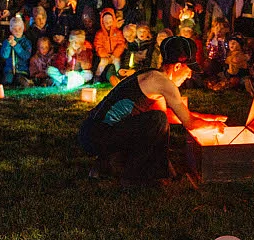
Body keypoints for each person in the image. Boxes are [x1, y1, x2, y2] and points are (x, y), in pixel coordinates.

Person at [78, 36, 226, 188]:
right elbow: (188, 123)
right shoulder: (164, 83)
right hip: (97, 135)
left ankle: (113, 164)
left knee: (158, 120)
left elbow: (170, 115)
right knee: (157, 121)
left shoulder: (152, 75)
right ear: (177, 67)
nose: (189, 76)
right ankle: (134, 177)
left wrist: (208, 118)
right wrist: (215, 126)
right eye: (188, 70)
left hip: (91, 132)